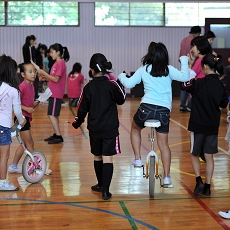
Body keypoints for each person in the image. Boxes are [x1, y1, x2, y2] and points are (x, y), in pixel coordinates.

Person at [117, 42, 189, 187]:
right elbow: (185, 77)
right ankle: (167, 178)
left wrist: (121, 76)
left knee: (135, 128)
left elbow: (129, 84)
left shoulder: (145, 69)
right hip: (163, 112)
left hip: (146, 108)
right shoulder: (168, 70)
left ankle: (138, 159)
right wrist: (185, 60)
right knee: (163, 145)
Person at [72, 53, 126, 200]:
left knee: (97, 156)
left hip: (95, 129)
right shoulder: (112, 85)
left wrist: (76, 123)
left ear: (91, 70)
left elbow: (81, 108)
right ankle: (105, 191)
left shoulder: (88, 88)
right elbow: (121, 99)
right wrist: (120, 82)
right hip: (110, 128)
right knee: (107, 158)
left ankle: (101, 184)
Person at [181, 54, 228, 196]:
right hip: (212, 126)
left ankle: (198, 181)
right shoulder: (220, 86)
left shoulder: (199, 83)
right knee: (209, 156)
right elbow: (224, 103)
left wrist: (189, 67)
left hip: (197, 125)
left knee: (194, 154)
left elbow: (184, 85)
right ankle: (208, 187)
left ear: (205, 67)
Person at [33, 43, 70, 144]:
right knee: (54, 114)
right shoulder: (56, 63)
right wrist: (45, 77)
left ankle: (58, 136)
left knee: (51, 114)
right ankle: (56, 134)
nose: (50, 54)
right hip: (52, 92)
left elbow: (56, 79)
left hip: (56, 92)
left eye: (51, 52)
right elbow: (53, 78)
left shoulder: (60, 63)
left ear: (58, 52)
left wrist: (44, 73)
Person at [0, 54, 26, 191]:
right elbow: (18, 112)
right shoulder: (13, 91)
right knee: (4, 156)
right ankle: (2, 182)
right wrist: (22, 122)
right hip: (3, 127)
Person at [8, 62, 37, 174]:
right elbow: (15, 103)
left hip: (26, 117)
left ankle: (14, 166)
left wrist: (37, 102)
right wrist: (27, 109)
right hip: (21, 118)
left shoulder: (31, 86)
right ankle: (37, 165)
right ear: (23, 74)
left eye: (34, 71)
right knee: (30, 143)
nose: (33, 74)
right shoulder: (22, 87)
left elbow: (29, 103)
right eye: (30, 72)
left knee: (25, 143)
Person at [179, 26, 201, 112]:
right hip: (192, 62)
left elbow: (180, 54)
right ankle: (189, 106)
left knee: (184, 84)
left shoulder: (184, 40)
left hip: (183, 63)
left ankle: (182, 105)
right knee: (191, 83)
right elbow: (193, 54)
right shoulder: (194, 41)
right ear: (197, 33)